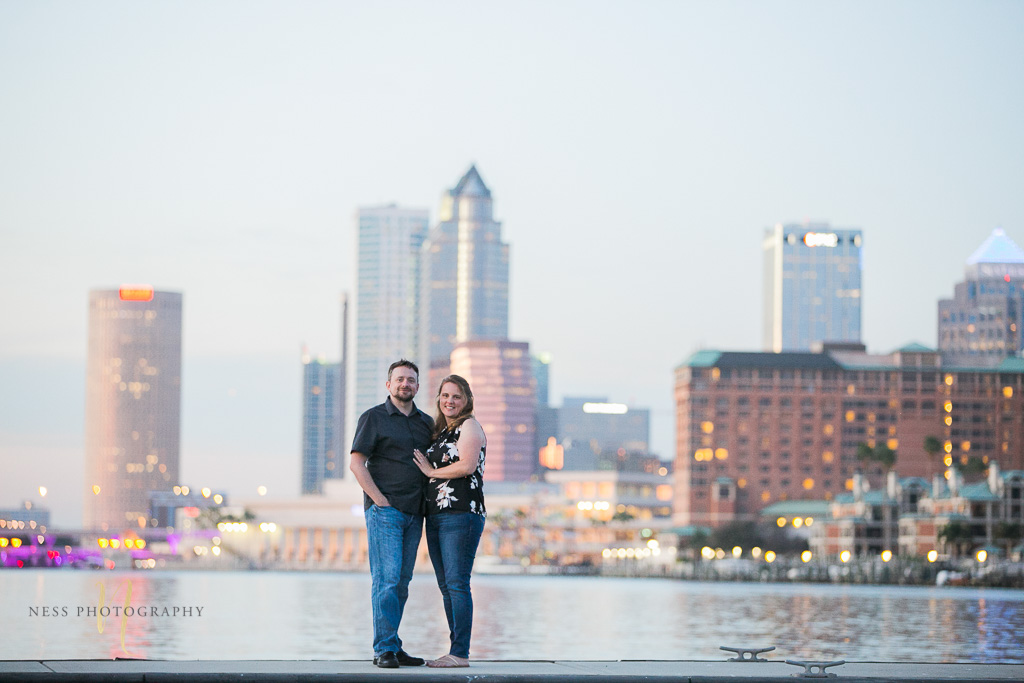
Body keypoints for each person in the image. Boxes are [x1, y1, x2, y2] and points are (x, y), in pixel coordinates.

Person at [349, 359, 433, 669]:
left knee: (401, 583)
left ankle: (394, 646)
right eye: (399, 379)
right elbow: (357, 464)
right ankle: (382, 649)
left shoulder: (426, 423)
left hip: (415, 513)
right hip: (385, 512)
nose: (405, 384)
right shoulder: (373, 418)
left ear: (417, 386)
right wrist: (380, 500)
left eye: (411, 380)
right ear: (389, 385)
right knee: (385, 580)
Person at [412, 374, 487, 669]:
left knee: (457, 583)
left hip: (462, 514)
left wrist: (432, 472)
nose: (450, 401)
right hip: (438, 515)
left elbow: (467, 465)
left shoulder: (470, 426)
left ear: (466, 400)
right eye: (445, 396)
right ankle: (455, 649)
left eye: (456, 396)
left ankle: (460, 653)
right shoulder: (442, 432)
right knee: (446, 585)